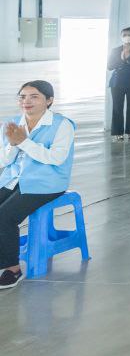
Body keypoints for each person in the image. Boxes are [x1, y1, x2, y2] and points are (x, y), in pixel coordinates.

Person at [0, 81, 74, 290]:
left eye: (34, 96)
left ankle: (13, 269)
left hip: (46, 181)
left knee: (4, 216)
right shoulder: (13, 123)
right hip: (15, 178)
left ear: (49, 100)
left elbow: (56, 158)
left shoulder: (62, 125)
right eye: (23, 96)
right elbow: (4, 161)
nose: (27, 101)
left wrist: (23, 142)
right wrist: (13, 144)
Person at [106, 26, 130, 142]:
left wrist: (129, 59)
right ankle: (118, 133)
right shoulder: (115, 50)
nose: (127, 37)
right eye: (125, 35)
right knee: (117, 108)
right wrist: (122, 59)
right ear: (121, 37)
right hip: (117, 82)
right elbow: (110, 66)